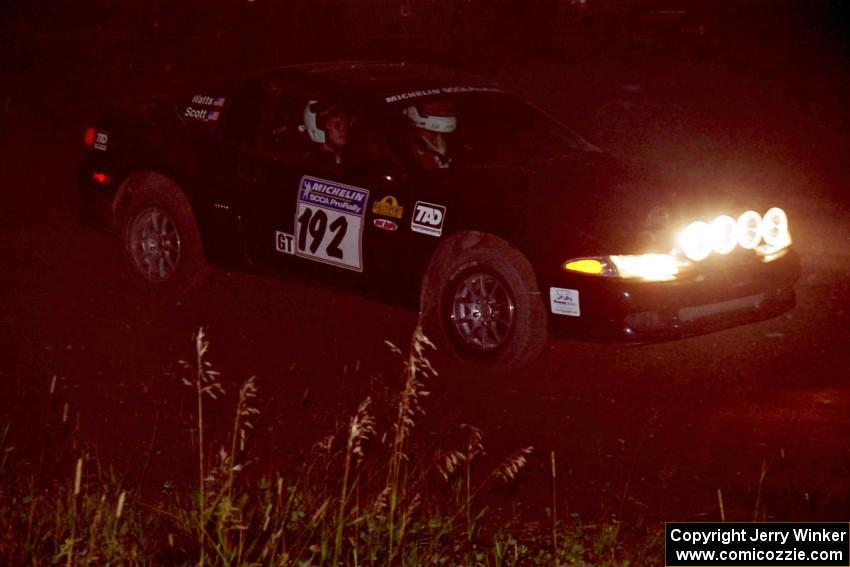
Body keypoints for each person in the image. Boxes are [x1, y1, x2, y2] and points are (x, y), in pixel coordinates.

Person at [404, 100, 456, 170]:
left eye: (446, 109)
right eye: (439, 110)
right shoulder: (411, 146)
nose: (445, 111)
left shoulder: (447, 136)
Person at [301, 100, 354, 166]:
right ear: (318, 126)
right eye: (336, 124)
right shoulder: (309, 165)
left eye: (345, 122)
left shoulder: (349, 159)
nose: (343, 129)